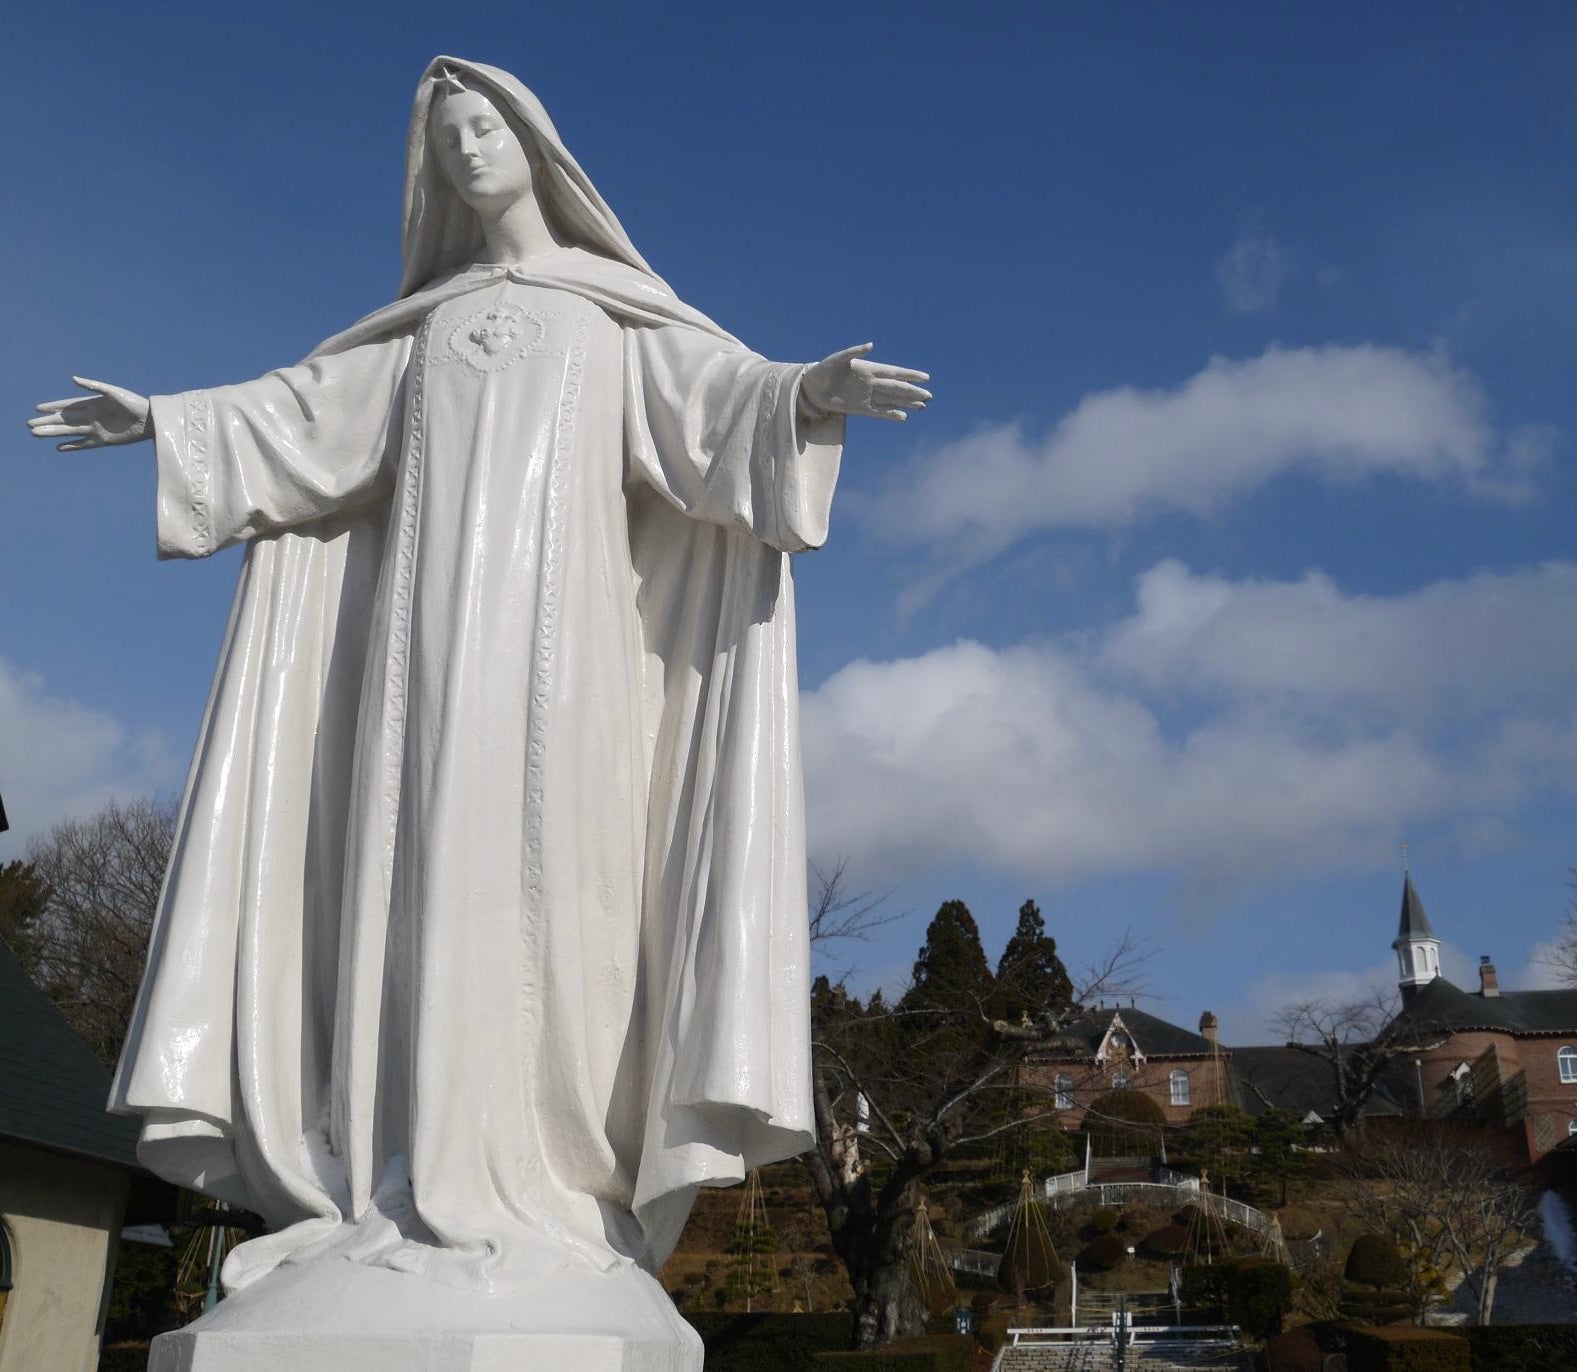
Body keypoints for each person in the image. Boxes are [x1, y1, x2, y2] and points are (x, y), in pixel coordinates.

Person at [29, 56, 928, 1307]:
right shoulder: (418, 334)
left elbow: (716, 406)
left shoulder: (613, 317)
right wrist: (166, 421)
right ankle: (393, 1178)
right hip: (418, 669)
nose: (465, 150)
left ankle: (555, 1180)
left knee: (566, 904)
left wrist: (804, 395)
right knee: (405, 888)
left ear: (537, 147)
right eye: (444, 137)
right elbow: (298, 421)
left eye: (484, 127)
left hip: (577, 667)